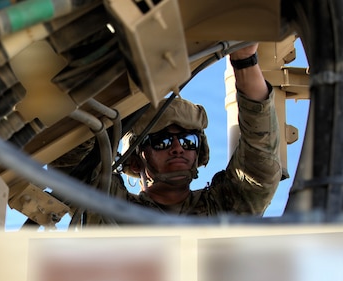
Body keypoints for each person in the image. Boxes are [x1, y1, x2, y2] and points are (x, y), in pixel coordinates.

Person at [105, 43, 281, 218]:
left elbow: (260, 161)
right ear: (135, 162)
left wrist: (244, 60)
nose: (178, 148)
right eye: (162, 142)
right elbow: (89, 168)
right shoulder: (112, 212)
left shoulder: (222, 208)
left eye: (188, 141)